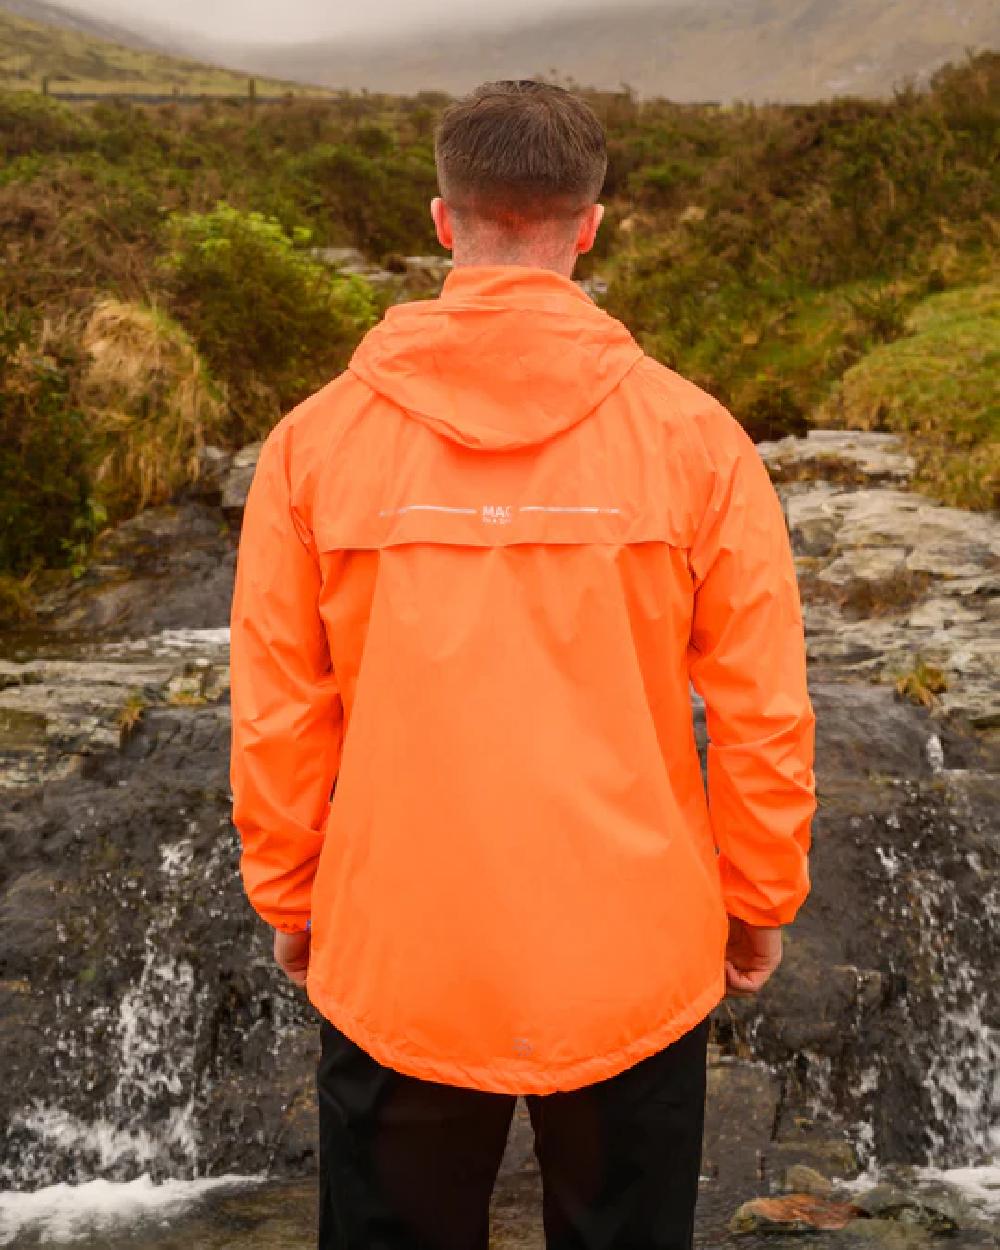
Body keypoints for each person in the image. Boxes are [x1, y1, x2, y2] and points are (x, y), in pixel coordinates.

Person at [230, 80, 815, 1250]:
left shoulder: (313, 443)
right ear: (589, 227)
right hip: (633, 959)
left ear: (444, 221)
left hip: (396, 951)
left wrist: (290, 897)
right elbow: (761, 711)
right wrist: (757, 900)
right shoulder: (697, 439)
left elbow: (279, 713)